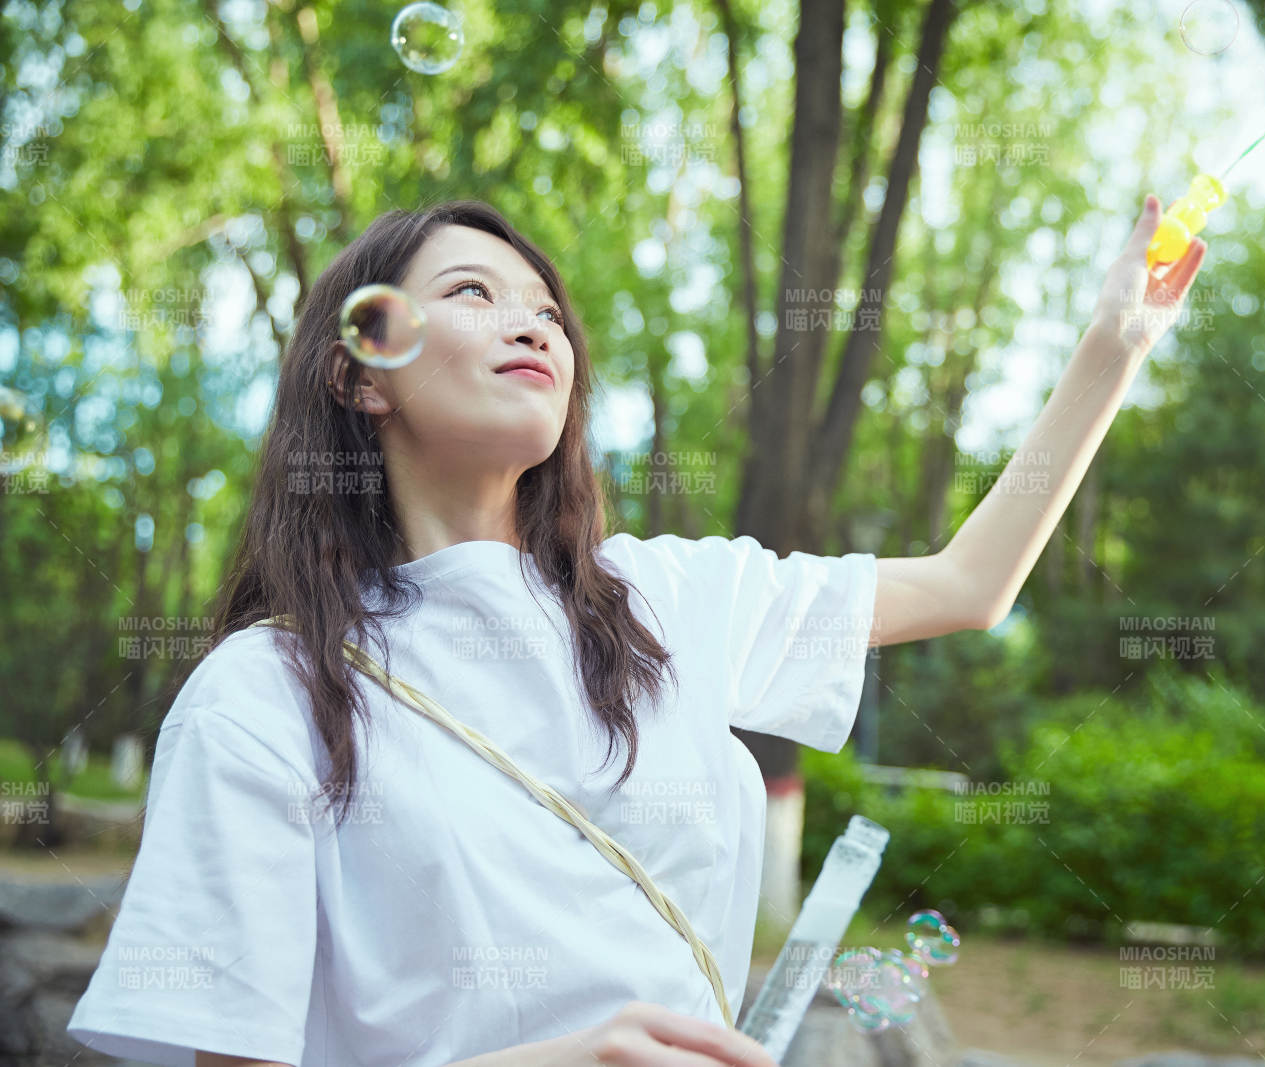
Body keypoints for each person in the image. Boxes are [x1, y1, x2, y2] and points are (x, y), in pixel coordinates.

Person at [65, 195, 1202, 1066]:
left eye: (546, 309)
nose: (532, 321)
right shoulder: (261, 695)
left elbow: (967, 582)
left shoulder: (664, 598)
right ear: (363, 375)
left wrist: (1115, 343)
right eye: (473, 292)